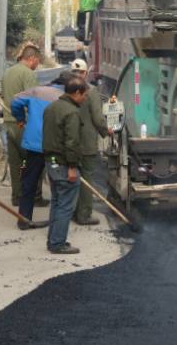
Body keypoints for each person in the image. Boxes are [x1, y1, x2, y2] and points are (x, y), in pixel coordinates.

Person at [10, 72, 76, 229]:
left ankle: (23, 220)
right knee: (58, 184)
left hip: (34, 145)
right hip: (55, 148)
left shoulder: (37, 91)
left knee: (29, 182)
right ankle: (57, 222)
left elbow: (15, 101)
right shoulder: (66, 99)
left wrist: (20, 118)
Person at [42, 77, 89, 254]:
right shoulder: (72, 113)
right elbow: (72, 142)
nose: (85, 99)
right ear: (76, 93)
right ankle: (58, 243)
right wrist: (72, 166)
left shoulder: (50, 107)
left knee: (56, 202)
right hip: (63, 164)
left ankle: (53, 240)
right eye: (84, 95)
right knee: (65, 205)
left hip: (51, 161)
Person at [2, 44, 45, 206]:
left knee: (15, 163)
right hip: (23, 124)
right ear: (32, 58)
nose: (37, 65)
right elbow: (33, 101)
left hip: (8, 122)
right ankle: (35, 196)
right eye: (37, 61)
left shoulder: (8, 72)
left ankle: (17, 196)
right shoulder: (28, 74)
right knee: (35, 161)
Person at [69, 59, 107, 225]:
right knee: (87, 178)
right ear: (85, 73)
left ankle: (71, 211)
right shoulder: (91, 92)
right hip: (87, 143)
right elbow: (98, 119)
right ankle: (83, 215)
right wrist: (106, 131)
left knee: (71, 178)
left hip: (70, 142)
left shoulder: (66, 90)